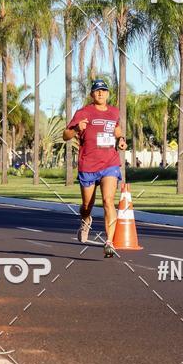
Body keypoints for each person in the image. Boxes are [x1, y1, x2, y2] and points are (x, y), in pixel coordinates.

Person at [63, 79, 126, 258]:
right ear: (92, 94)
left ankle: (109, 242)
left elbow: (117, 129)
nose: (101, 93)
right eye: (97, 91)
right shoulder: (83, 112)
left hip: (110, 164)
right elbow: (65, 135)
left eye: (104, 90)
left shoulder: (114, 112)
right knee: (86, 206)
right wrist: (76, 128)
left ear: (108, 94)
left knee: (108, 200)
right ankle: (85, 219)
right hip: (88, 165)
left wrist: (120, 139)